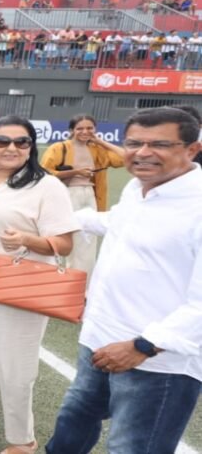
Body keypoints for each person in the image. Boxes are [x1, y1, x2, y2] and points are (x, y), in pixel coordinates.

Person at [46, 107, 202, 454]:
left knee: (132, 447)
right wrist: (63, 219)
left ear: (192, 149)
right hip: (98, 340)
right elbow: (119, 221)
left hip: (157, 363)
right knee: (70, 432)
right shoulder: (138, 188)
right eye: (134, 143)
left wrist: (142, 346)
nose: (143, 153)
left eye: (159, 144)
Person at [0, 115, 79, 453]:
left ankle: (23, 439)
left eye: (22, 142)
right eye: (2, 141)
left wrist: (26, 239)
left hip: (21, 282)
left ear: (31, 147)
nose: (12, 148)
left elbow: (65, 244)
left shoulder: (47, 185)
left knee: (15, 365)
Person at [39, 115, 125, 274]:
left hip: (91, 195)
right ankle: (67, 276)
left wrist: (101, 142)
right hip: (67, 194)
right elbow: (44, 172)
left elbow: (125, 159)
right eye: (80, 128)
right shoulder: (59, 148)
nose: (85, 132)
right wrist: (75, 172)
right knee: (68, 238)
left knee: (89, 240)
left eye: (89, 128)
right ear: (72, 130)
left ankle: (84, 280)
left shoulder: (97, 149)